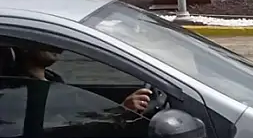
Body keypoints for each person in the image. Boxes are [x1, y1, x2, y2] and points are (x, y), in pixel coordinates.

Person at [7, 45, 152, 114]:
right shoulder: (23, 91)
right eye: (45, 40)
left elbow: (84, 114)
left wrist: (119, 110)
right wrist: (120, 113)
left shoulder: (52, 79)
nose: (57, 46)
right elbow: (74, 125)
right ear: (24, 45)